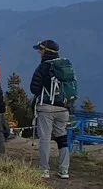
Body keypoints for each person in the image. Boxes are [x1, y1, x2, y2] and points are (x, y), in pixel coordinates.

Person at [30, 40, 73, 179]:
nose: (38, 52)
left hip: (46, 108)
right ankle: (64, 169)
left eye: (40, 50)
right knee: (62, 138)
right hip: (63, 109)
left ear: (45, 51)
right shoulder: (65, 66)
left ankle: (44, 169)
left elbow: (34, 88)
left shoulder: (43, 67)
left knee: (45, 139)